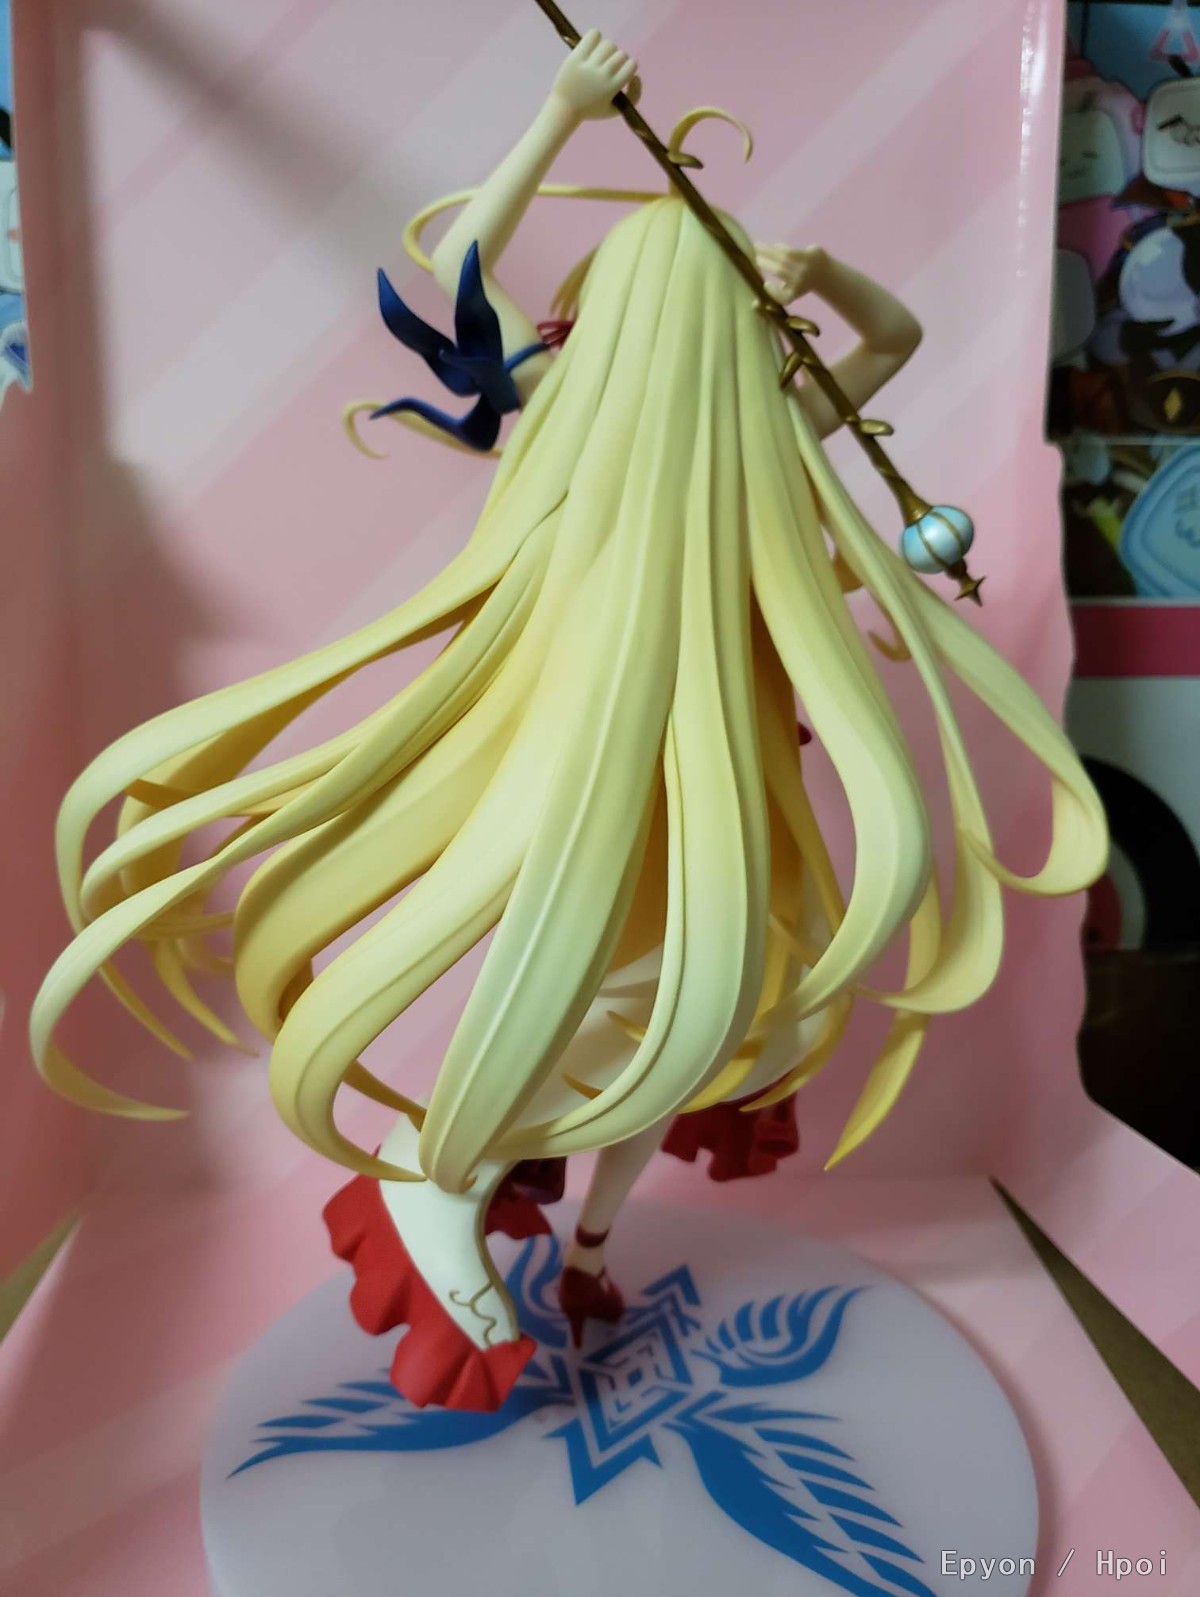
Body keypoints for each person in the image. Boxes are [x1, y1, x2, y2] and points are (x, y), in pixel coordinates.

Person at [32, 31, 1107, 1411]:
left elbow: (882, 338)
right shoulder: (574, 411)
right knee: (617, 997)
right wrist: (561, 111)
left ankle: (581, 1240)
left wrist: (807, 268)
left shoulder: (758, 435)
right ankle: (444, 1175)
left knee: (693, 1019)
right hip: (596, 764)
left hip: (714, 773)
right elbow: (465, 270)